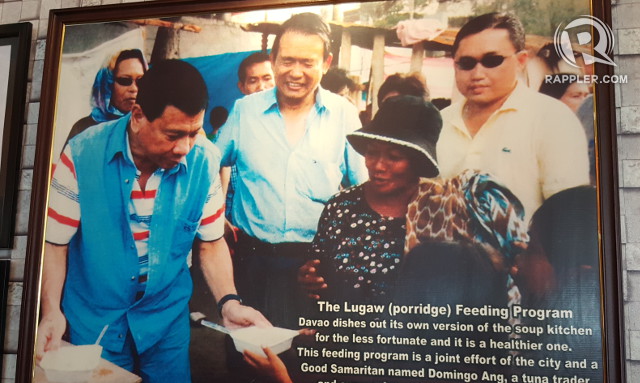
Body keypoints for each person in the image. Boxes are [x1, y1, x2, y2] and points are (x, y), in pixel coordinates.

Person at [37, 60, 269, 382]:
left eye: (193, 133)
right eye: (173, 135)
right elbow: (55, 243)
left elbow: (211, 242)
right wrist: (51, 312)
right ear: (138, 116)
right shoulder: (80, 154)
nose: (184, 148)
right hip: (95, 322)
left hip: (166, 323)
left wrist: (228, 302)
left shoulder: (204, 160)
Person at [214, 12, 367, 328]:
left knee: (304, 361)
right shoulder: (245, 111)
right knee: (247, 355)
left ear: (326, 63)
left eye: (308, 62)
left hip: (314, 268)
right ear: (272, 60)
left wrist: (343, 262)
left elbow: (364, 192)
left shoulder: (344, 115)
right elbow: (206, 165)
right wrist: (218, 222)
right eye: (287, 61)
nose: (296, 72)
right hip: (250, 262)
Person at [436, 12, 590, 220]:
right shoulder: (439, 122)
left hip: (525, 252)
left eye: (492, 60)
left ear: (521, 61)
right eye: (466, 63)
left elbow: (568, 214)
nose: (477, 74)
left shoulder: (552, 119)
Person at [67, 49, 147, 143]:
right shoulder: (84, 129)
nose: (134, 89)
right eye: (125, 80)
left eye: (141, 81)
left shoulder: (151, 127)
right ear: (107, 84)